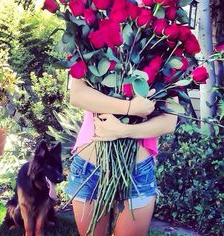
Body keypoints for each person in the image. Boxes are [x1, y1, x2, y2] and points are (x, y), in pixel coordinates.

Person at [66, 78, 178, 236]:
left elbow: (169, 122)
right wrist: (130, 108)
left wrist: (123, 130)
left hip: (136, 172)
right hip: (89, 169)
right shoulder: (92, 52)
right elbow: (78, 95)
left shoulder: (164, 57)